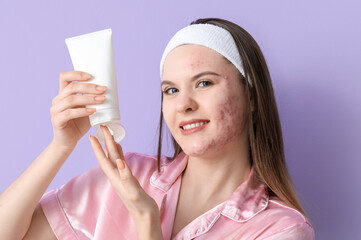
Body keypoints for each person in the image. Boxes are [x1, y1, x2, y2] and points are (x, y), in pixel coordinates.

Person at [0, 18, 315, 239]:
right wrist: (61, 146)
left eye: (204, 82)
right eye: (171, 90)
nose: (184, 104)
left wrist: (147, 222)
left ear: (251, 95)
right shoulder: (124, 178)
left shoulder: (280, 229)